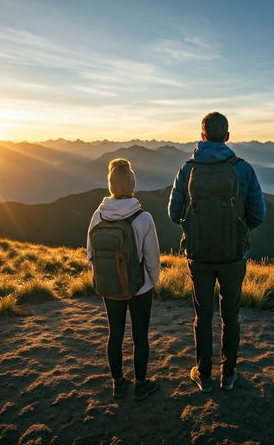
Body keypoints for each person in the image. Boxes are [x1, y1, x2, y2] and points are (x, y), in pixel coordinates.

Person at [168, 112, 266, 393]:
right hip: (233, 255)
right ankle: (229, 373)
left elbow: (174, 214)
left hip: (198, 255)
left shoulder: (187, 169)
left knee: (203, 316)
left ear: (202, 136)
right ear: (227, 137)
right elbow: (258, 213)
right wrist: (238, 231)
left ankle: (204, 373)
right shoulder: (243, 169)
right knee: (230, 315)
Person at [87, 158, 160, 400]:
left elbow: (91, 255)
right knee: (140, 336)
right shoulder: (143, 218)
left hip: (110, 286)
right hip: (140, 288)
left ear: (110, 186)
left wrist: (105, 277)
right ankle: (141, 385)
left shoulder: (98, 216)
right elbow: (152, 258)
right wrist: (153, 283)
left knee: (114, 334)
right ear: (132, 185)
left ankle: (118, 384)